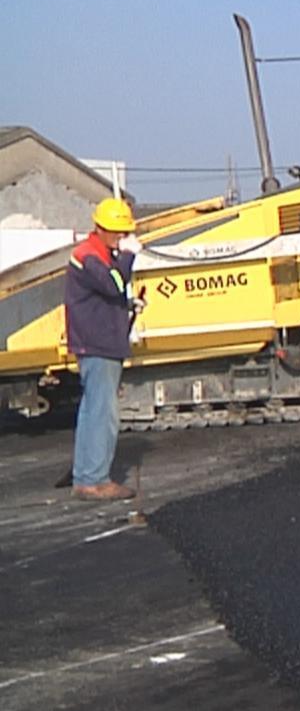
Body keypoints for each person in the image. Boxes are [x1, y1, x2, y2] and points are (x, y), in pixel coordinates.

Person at [66, 198, 143, 500]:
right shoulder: (90, 256)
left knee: (92, 411)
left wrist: (128, 304)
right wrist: (128, 257)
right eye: (117, 231)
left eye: (124, 232)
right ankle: (95, 479)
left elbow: (106, 294)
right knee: (102, 413)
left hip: (97, 342)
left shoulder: (96, 254)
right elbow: (113, 284)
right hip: (99, 344)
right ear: (100, 227)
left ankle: (86, 477)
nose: (121, 236)